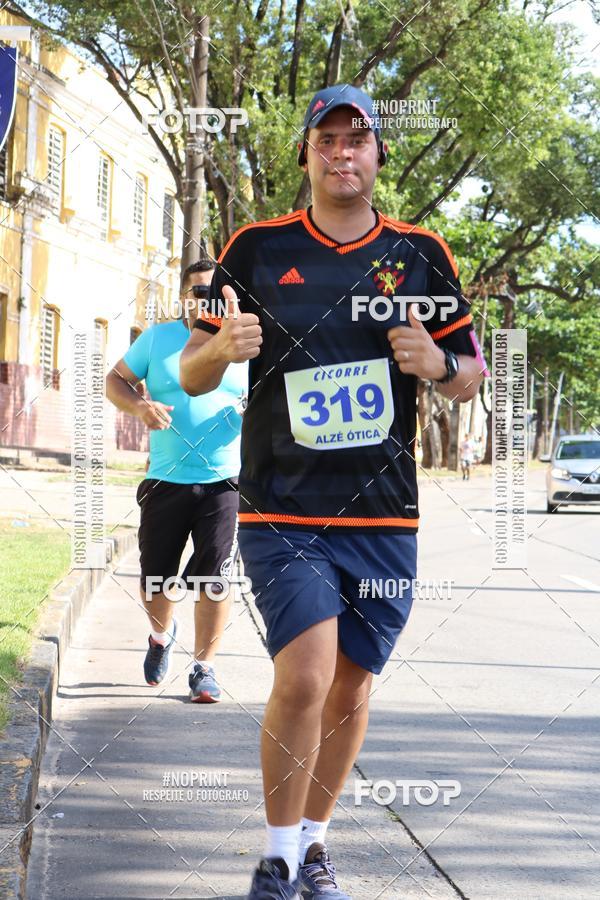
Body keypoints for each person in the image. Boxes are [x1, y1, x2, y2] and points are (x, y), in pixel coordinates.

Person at [180, 84, 486, 898]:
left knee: (351, 687)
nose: (343, 153)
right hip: (283, 507)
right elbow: (190, 369)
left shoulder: (422, 253)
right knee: (308, 674)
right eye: (328, 140)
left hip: (384, 514)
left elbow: (471, 371)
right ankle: (277, 858)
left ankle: (315, 846)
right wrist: (221, 349)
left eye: (358, 140)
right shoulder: (255, 247)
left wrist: (440, 365)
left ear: (379, 153)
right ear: (307, 154)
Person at [106, 260, 247, 702]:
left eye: (215, 292)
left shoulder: (244, 343)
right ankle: (161, 636)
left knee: (215, 579)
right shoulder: (158, 339)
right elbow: (115, 380)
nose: (207, 300)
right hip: (165, 479)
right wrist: (139, 407)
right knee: (156, 579)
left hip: (224, 480)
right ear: (184, 297)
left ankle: (204, 668)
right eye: (199, 292)